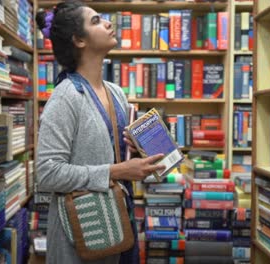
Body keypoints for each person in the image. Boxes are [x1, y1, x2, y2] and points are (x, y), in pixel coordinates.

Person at [35, 2, 166, 263]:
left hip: (120, 224)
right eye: (96, 21)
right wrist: (118, 171)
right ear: (79, 40)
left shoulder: (116, 92)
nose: (108, 23)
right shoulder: (65, 97)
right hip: (82, 234)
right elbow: (47, 173)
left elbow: (114, 154)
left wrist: (143, 149)